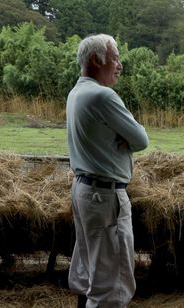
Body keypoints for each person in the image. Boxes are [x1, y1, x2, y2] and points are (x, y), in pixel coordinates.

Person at [66, 34, 149, 308]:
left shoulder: (76, 92)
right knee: (111, 285)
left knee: (90, 271)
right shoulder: (102, 96)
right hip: (104, 197)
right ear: (95, 59)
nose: (120, 65)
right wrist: (125, 139)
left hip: (84, 190)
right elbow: (141, 139)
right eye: (115, 58)